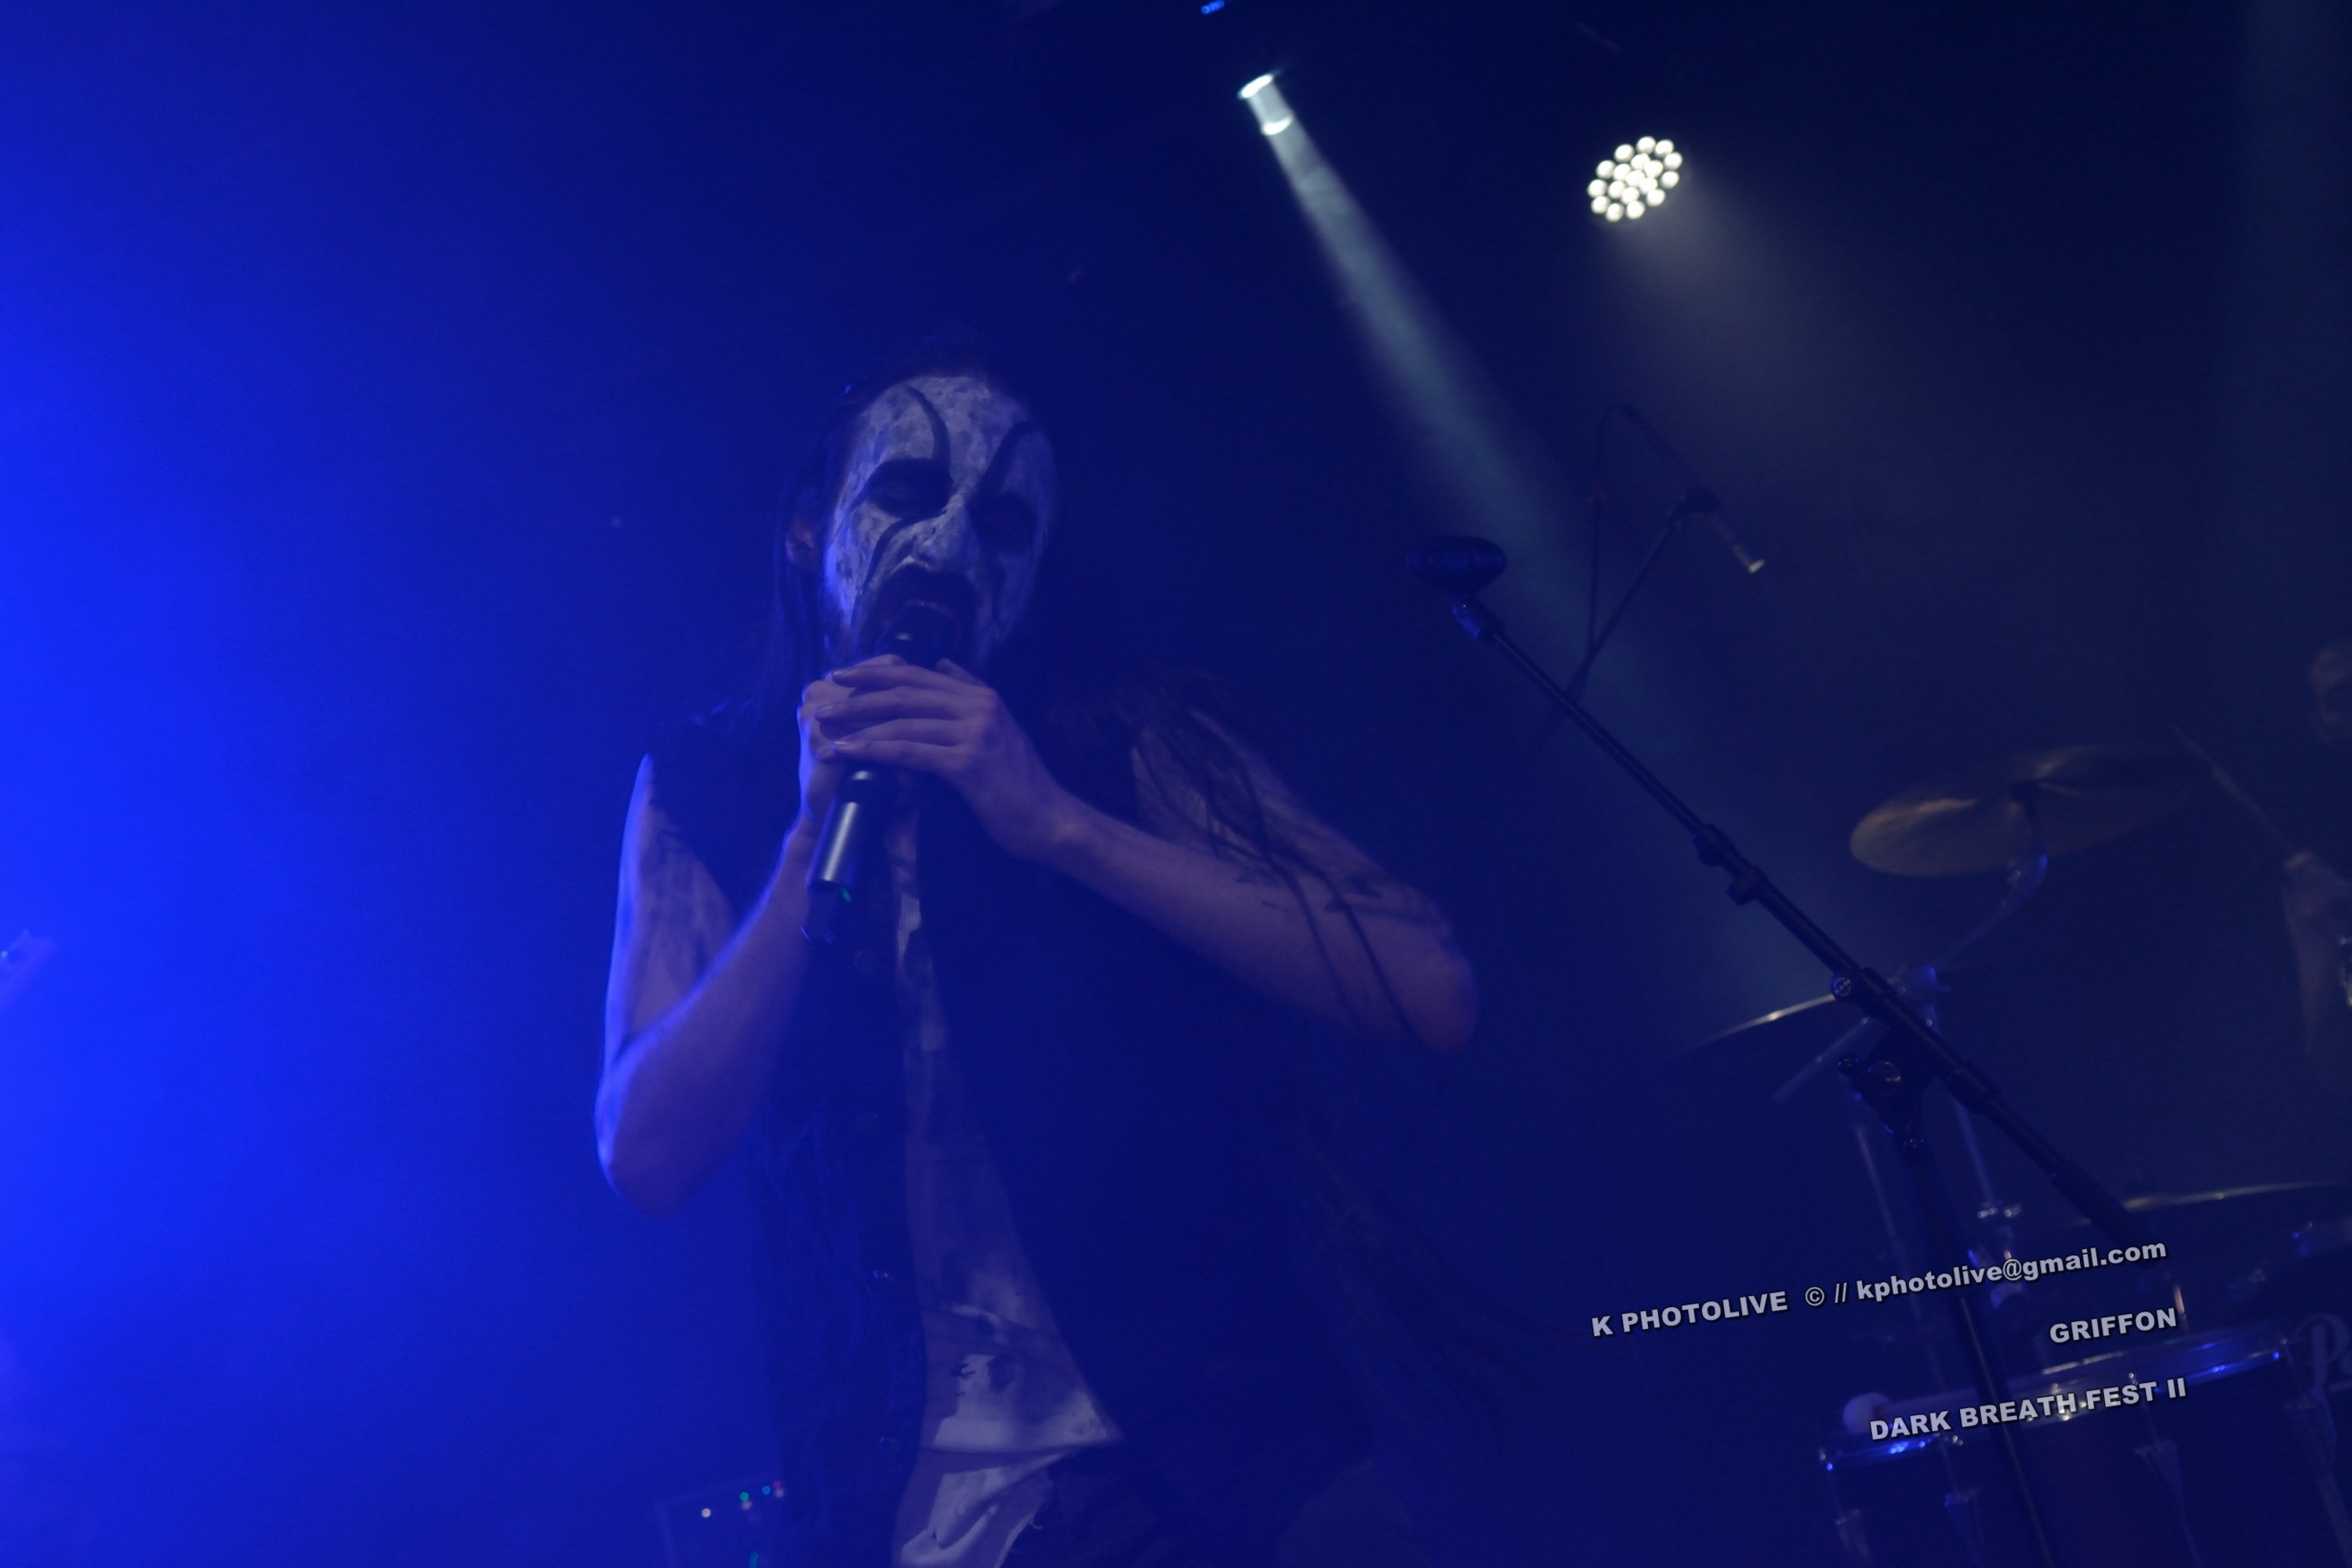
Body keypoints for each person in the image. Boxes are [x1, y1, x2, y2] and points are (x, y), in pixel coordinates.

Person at [595, 346, 1476, 1566]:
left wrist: (1059, 824)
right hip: (897, 1503)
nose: (949, 545)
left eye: (1004, 521)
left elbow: (1427, 982)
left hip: (1229, 1477)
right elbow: (644, 1154)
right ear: (809, 525)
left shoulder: (1129, 740)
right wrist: (806, 846)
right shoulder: (707, 784)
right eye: (907, 492)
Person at [2283, 636, 2352, 1099]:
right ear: (2322, 728)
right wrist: (2344, 934)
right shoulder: (2319, 875)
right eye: (2342, 699)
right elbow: (2334, 1067)